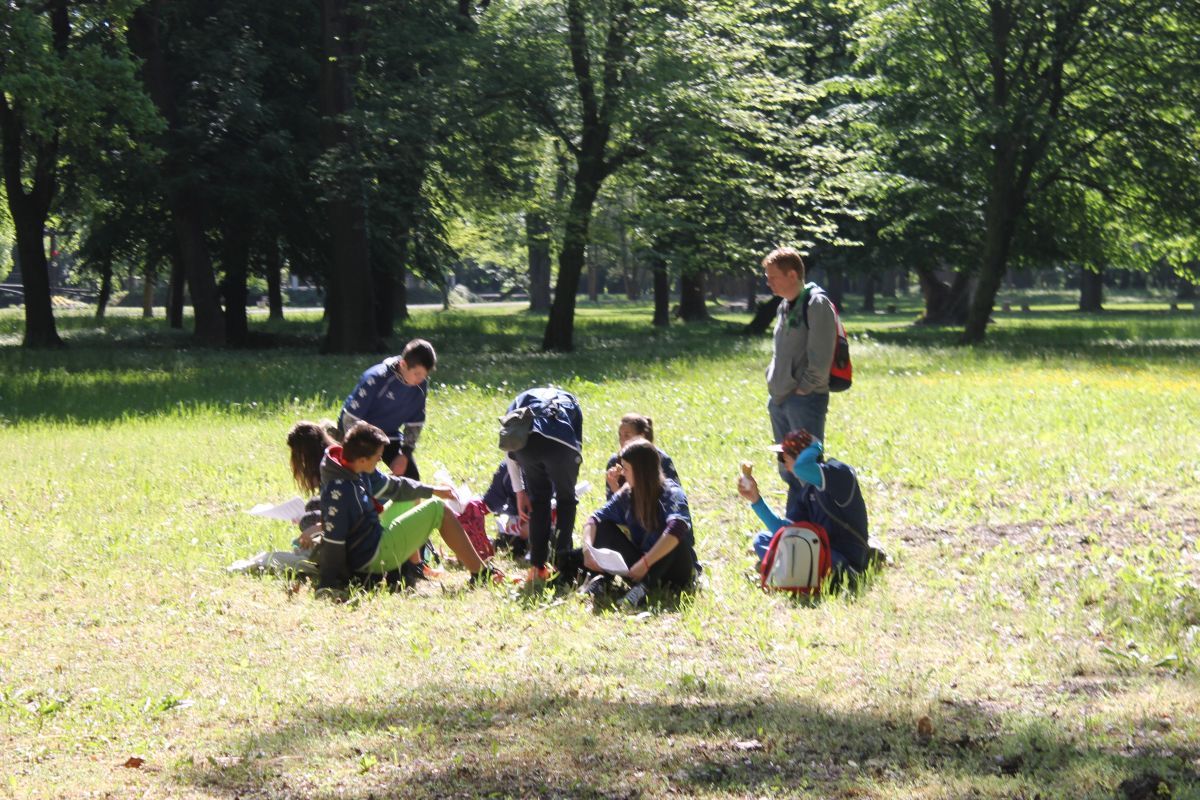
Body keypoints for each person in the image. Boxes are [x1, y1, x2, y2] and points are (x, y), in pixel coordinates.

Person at [317, 421, 500, 596]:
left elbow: (395, 486)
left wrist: (433, 490)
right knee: (439, 509)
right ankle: (481, 574)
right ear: (363, 460)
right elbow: (334, 539)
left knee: (410, 496)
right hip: (370, 557)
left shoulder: (354, 467)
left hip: (371, 537)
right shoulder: (341, 492)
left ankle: (414, 567)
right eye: (378, 457)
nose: (380, 460)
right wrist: (328, 583)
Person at [575, 438, 697, 608]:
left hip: (674, 572)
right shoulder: (627, 494)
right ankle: (601, 581)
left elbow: (677, 527)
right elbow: (594, 519)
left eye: (626, 469)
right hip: (640, 567)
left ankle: (643, 589)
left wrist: (646, 562)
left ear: (641, 471)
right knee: (603, 527)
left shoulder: (672, 492)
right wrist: (587, 550)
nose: (623, 474)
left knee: (674, 536)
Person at [737, 428, 873, 578]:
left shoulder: (839, 473)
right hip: (818, 552)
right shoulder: (808, 491)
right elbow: (785, 532)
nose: (784, 464)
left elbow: (801, 468)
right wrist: (756, 500)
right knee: (762, 539)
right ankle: (785, 569)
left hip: (843, 560)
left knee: (813, 557)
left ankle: (779, 567)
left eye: (784, 458)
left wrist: (816, 446)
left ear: (802, 457)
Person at [762, 247, 836, 512]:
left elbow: (821, 357)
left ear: (792, 275)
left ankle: (820, 521)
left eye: (773, 277)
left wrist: (804, 389)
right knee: (788, 468)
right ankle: (796, 521)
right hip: (780, 399)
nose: (768, 282)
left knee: (806, 467)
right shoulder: (784, 305)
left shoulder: (816, 304)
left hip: (804, 400)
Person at [500, 386, 583, 582]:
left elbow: (509, 447)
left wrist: (520, 491)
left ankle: (538, 567)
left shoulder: (519, 400)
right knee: (566, 500)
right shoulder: (571, 403)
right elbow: (576, 446)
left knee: (539, 501)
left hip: (526, 447)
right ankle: (562, 566)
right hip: (561, 444)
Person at [338, 339, 436, 480]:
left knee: (411, 477)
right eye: (417, 374)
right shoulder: (375, 379)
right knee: (364, 480)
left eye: (425, 375)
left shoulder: (420, 385)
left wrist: (404, 454)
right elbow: (349, 420)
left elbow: (415, 423)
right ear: (403, 364)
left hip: (389, 435)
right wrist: (360, 454)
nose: (421, 379)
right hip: (360, 436)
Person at [603, 413, 680, 499]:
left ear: (641, 436)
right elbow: (612, 506)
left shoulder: (662, 460)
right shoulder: (615, 462)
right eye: (620, 435)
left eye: (627, 435)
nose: (622, 440)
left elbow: (674, 498)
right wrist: (614, 486)